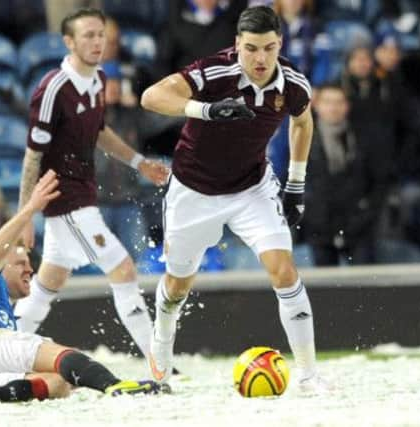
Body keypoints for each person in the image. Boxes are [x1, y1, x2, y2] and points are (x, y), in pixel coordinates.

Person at [140, 5, 327, 391]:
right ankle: (159, 361)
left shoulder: (293, 84)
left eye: (270, 49)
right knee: (176, 288)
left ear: (281, 45)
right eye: (252, 48)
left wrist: (295, 183)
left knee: (285, 271)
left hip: (251, 188)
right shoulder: (214, 70)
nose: (261, 58)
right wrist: (204, 109)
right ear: (237, 44)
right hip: (193, 190)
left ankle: (310, 376)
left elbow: (303, 121)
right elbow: (151, 97)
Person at [13, 9, 170, 362]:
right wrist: (24, 218)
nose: (97, 42)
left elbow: (100, 133)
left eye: (101, 35)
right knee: (123, 269)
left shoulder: (98, 80)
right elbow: (32, 157)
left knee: (45, 287)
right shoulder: (53, 88)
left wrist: (138, 162)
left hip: (85, 194)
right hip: (64, 198)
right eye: (88, 35)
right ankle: (158, 364)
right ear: (68, 42)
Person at [0, 170, 161, 404]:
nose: (29, 270)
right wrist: (29, 210)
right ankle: (114, 385)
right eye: (20, 264)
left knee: (57, 383)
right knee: (55, 352)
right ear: (1, 266)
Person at [305, 84, 391, 265]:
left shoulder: (365, 138)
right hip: (318, 225)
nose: (333, 108)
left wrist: (367, 211)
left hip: (359, 225)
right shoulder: (301, 137)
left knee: (365, 286)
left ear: (347, 106)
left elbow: (380, 180)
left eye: (339, 102)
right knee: (323, 289)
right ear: (316, 105)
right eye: (328, 102)